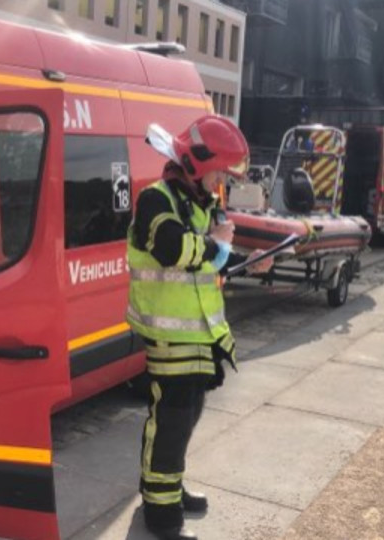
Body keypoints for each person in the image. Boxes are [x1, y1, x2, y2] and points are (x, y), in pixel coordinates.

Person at [127, 116, 273, 540]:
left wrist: (249, 257)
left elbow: (215, 251)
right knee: (170, 420)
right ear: (195, 164)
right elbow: (173, 247)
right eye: (218, 174)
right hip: (169, 335)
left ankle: (168, 489)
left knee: (186, 417)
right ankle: (160, 511)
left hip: (199, 335)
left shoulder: (202, 204)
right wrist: (219, 247)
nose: (221, 183)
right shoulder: (156, 200)